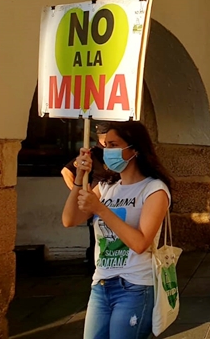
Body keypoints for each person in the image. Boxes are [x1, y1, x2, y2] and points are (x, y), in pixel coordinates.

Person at [62, 121, 173, 338]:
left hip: (135, 286)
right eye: (105, 146)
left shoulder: (154, 190)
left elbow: (140, 243)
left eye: (113, 145)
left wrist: (101, 210)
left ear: (134, 149)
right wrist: (79, 179)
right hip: (102, 283)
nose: (106, 152)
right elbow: (69, 219)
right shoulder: (106, 187)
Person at [61, 122, 112, 268]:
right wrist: (78, 191)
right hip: (96, 200)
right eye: (106, 141)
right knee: (97, 238)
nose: (108, 146)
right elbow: (66, 171)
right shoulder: (93, 153)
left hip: (113, 202)